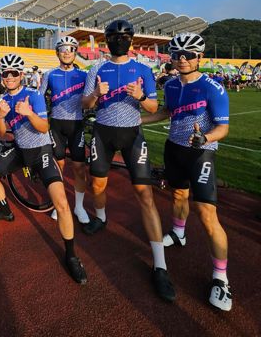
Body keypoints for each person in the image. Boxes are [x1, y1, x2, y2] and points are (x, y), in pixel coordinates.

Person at [81, 19, 175, 302]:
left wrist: (141, 96)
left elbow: (153, 107)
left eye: (124, 37)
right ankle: (101, 217)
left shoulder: (144, 69)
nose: (119, 41)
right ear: (106, 41)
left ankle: (160, 265)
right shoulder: (96, 68)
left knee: (144, 194)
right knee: (97, 185)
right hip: (103, 133)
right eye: (113, 37)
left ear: (131, 41)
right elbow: (84, 104)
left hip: (132, 134)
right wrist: (96, 94)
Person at [142, 32, 232, 311]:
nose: (182, 59)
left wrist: (205, 138)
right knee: (178, 195)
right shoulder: (170, 85)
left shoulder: (212, 87)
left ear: (199, 57)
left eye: (189, 55)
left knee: (206, 213)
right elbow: (166, 112)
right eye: (177, 55)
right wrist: (136, 119)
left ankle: (221, 279)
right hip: (174, 148)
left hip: (200, 153)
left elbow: (223, 127)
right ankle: (179, 233)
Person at [0, 54, 87, 284]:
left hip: (41, 152)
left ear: (21, 75)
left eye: (14, 73)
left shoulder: (34, 95)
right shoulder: (2, 100)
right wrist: (0, 117)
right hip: (21, 150)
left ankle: (71, 255)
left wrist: (29, 113)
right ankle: (5, 209)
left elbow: (43, 128)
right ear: (2, 76)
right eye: (6, 73)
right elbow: (1, 133)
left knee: (62, 203)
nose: (10, 77)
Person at [39, 36, 89, 224]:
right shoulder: (50, 74)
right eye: (63, 49)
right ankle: (59, 204)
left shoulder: (84, 75)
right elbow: (39, 98)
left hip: (77, 124)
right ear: (57, 53)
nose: (67, 52)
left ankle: (79, 207)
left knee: (79, 168)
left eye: (71, 49)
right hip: (57, 125)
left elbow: (91, 98)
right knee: (58, 166)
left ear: (76, 52)